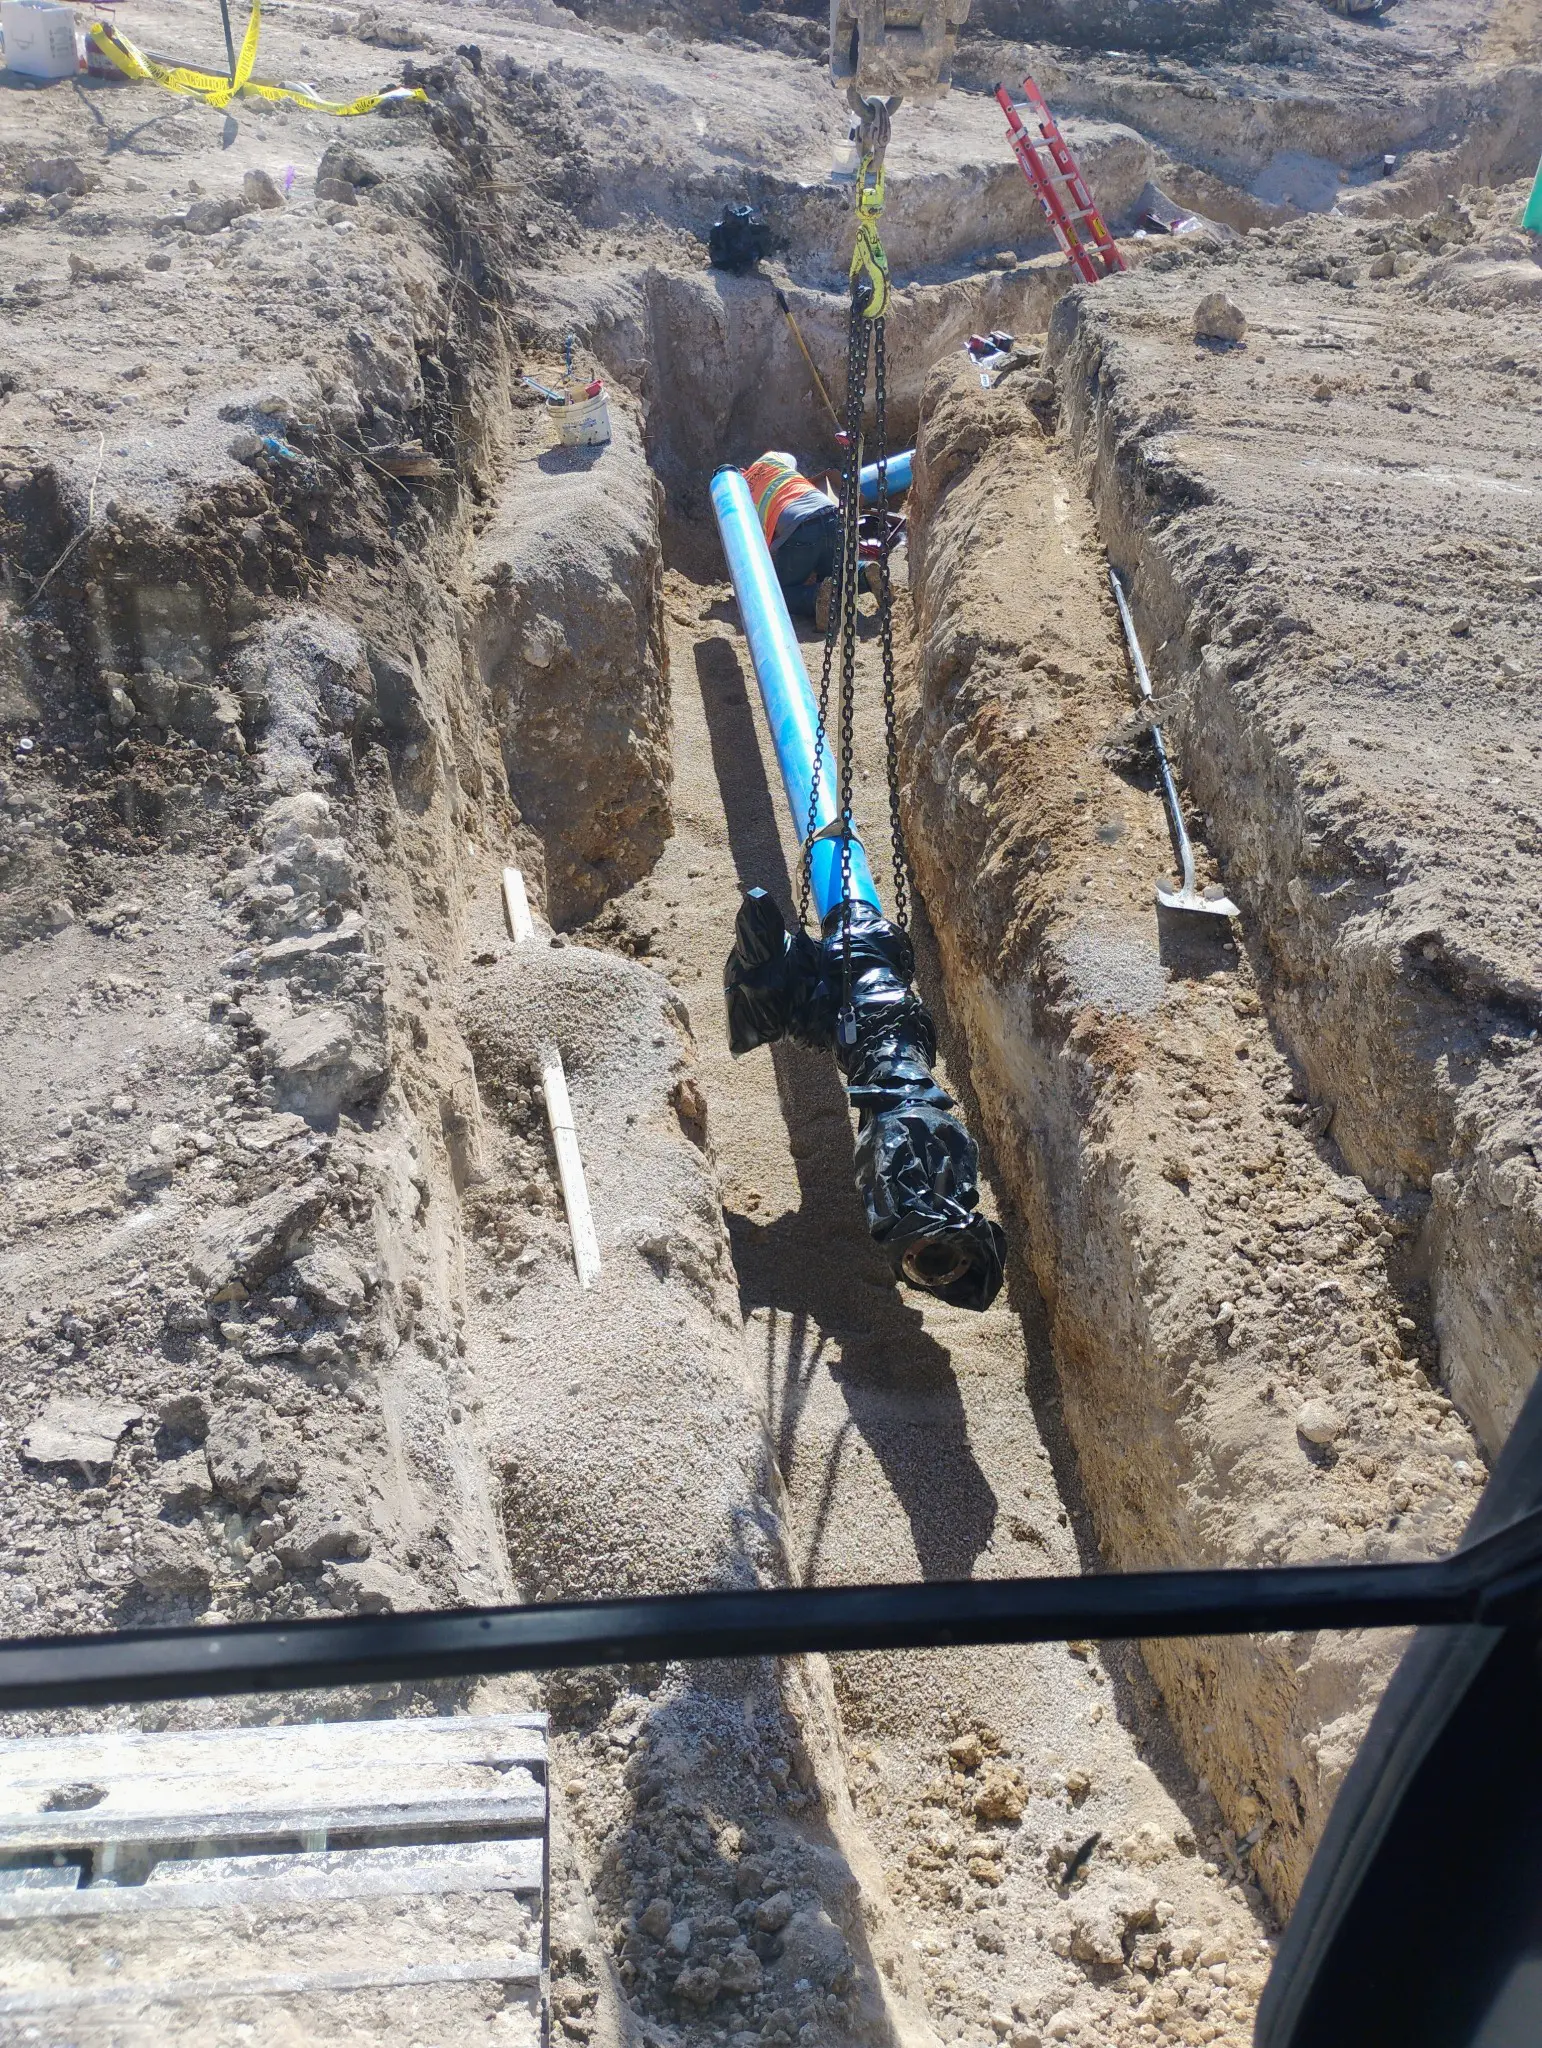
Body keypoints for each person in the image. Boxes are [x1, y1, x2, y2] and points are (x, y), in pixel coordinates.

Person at [743, 451, 840, 624]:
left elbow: (761, 547)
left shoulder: (744, 501)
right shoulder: (770, 459)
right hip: (832, 514)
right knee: (834, 576)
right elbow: (791, 460)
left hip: (800, 527)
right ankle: (864, 573)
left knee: (777, 594)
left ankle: (814, 598)